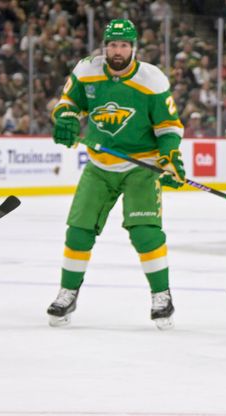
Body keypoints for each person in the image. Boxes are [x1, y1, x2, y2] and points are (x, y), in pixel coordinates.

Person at [48, 19, 186, 329]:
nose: (118, 50)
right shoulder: (86, 70)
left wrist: (170, 157)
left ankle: (161, 296)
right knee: (78, 231)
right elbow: (69, 102)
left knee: (145, 232)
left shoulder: (152, 80)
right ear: (105, 46)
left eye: (123, 45)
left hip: (141, 167)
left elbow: (168, 127)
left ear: (134, 48)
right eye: (113, 44)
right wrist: (66, 118)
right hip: (100, 165)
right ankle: (67, 292)